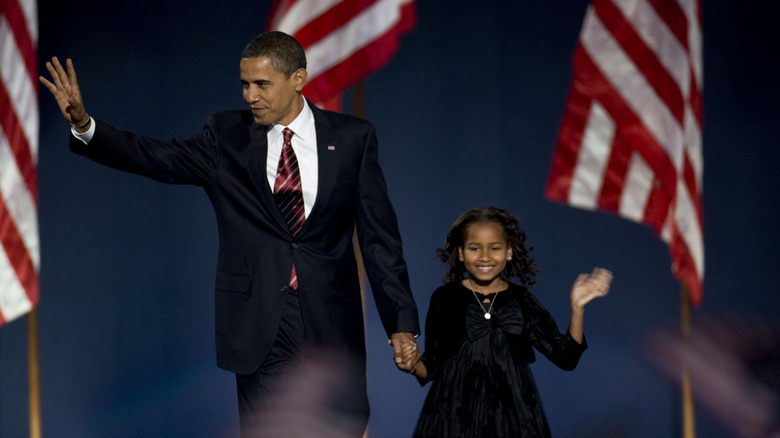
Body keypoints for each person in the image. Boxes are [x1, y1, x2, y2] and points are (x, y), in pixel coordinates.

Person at [39, 31, 420, 436]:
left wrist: (400, 323)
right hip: (260, 323)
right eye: (244, 84)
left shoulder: (351, 139)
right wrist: (85, 124)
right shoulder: (226, 135)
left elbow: (380, 240)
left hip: (330, 321)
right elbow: (156, 157)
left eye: (262, 84)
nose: (250, 96)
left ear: (298, 79)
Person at [404, 206, 611, 437]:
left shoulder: (522, 300)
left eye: (495, 248)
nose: (485, 256)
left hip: (514, 419)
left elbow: (566, 358)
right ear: (461, 253)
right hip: (454, 418)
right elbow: (432, 367)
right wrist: (413, 364)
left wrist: (577, 308)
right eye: (475, 248)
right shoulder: (445, 299)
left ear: (509, 252)